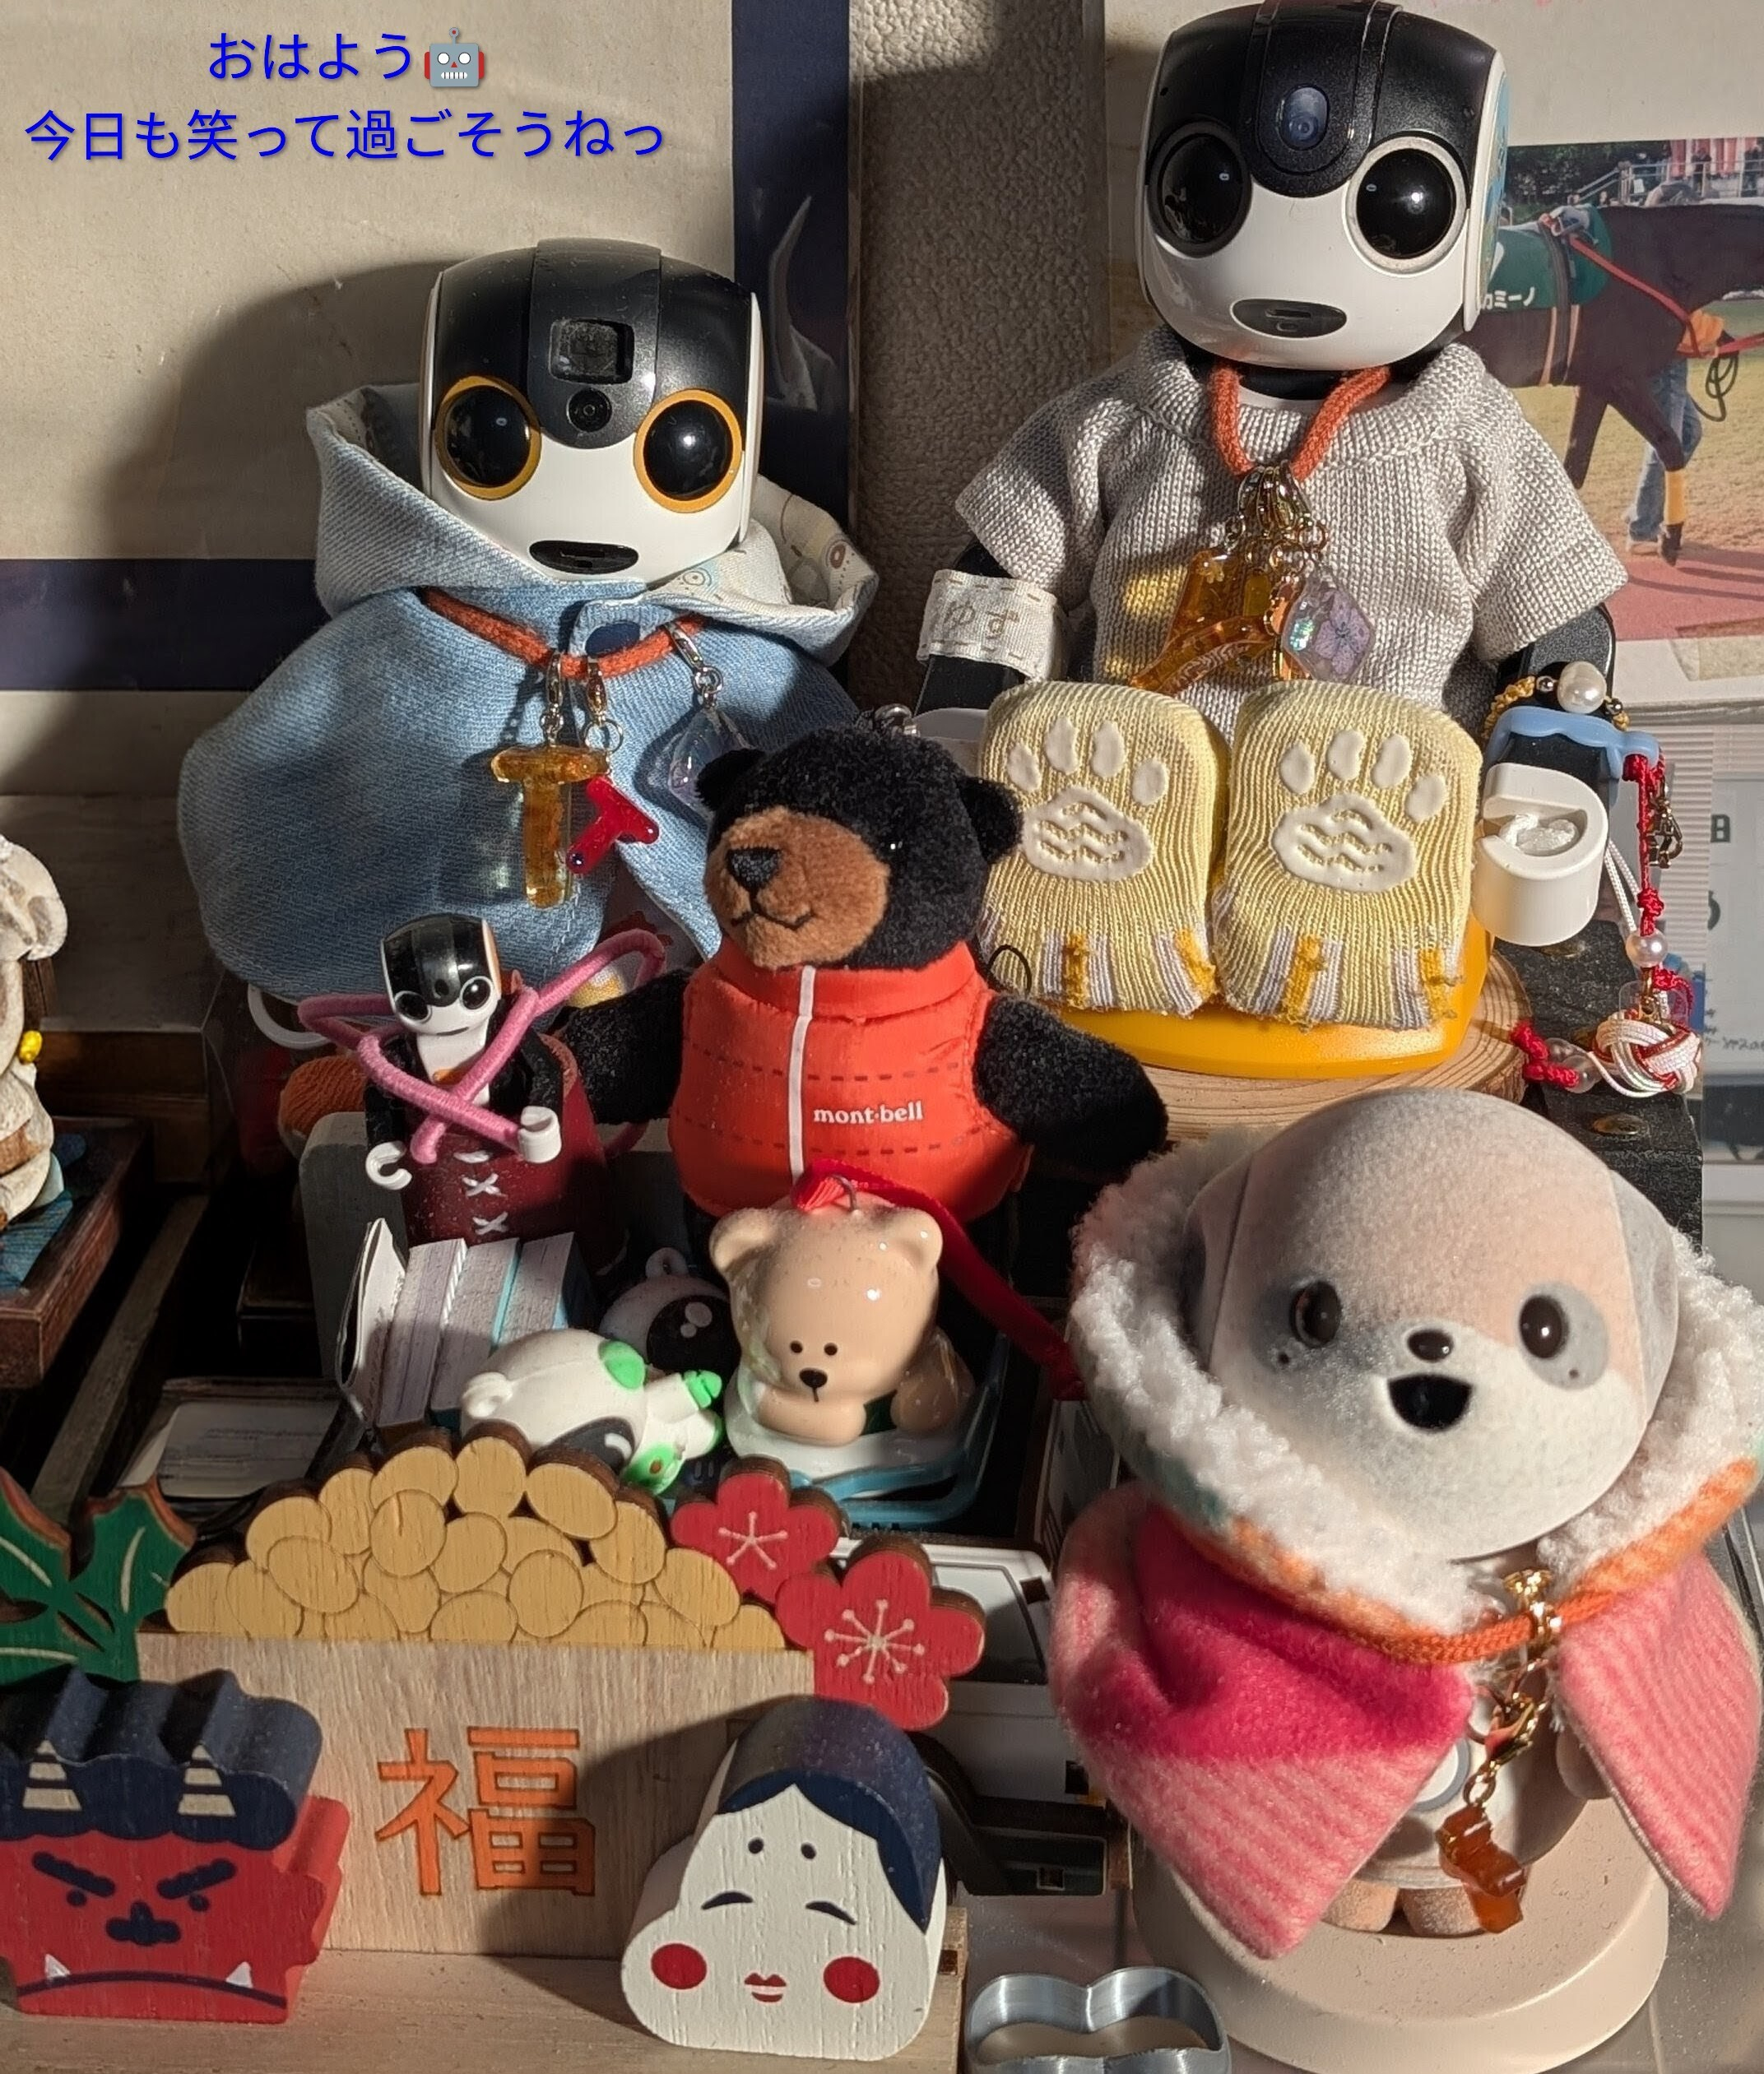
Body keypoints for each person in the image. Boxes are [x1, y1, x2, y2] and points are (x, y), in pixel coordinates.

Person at [1627, 181, 1704, 555]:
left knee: (1689, 433)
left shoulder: (1659, 253)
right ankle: (1642, 528)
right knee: (1666, 443)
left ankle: (1643, 514)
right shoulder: (1659, 258)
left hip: (1671, 361)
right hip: (1663, 362)